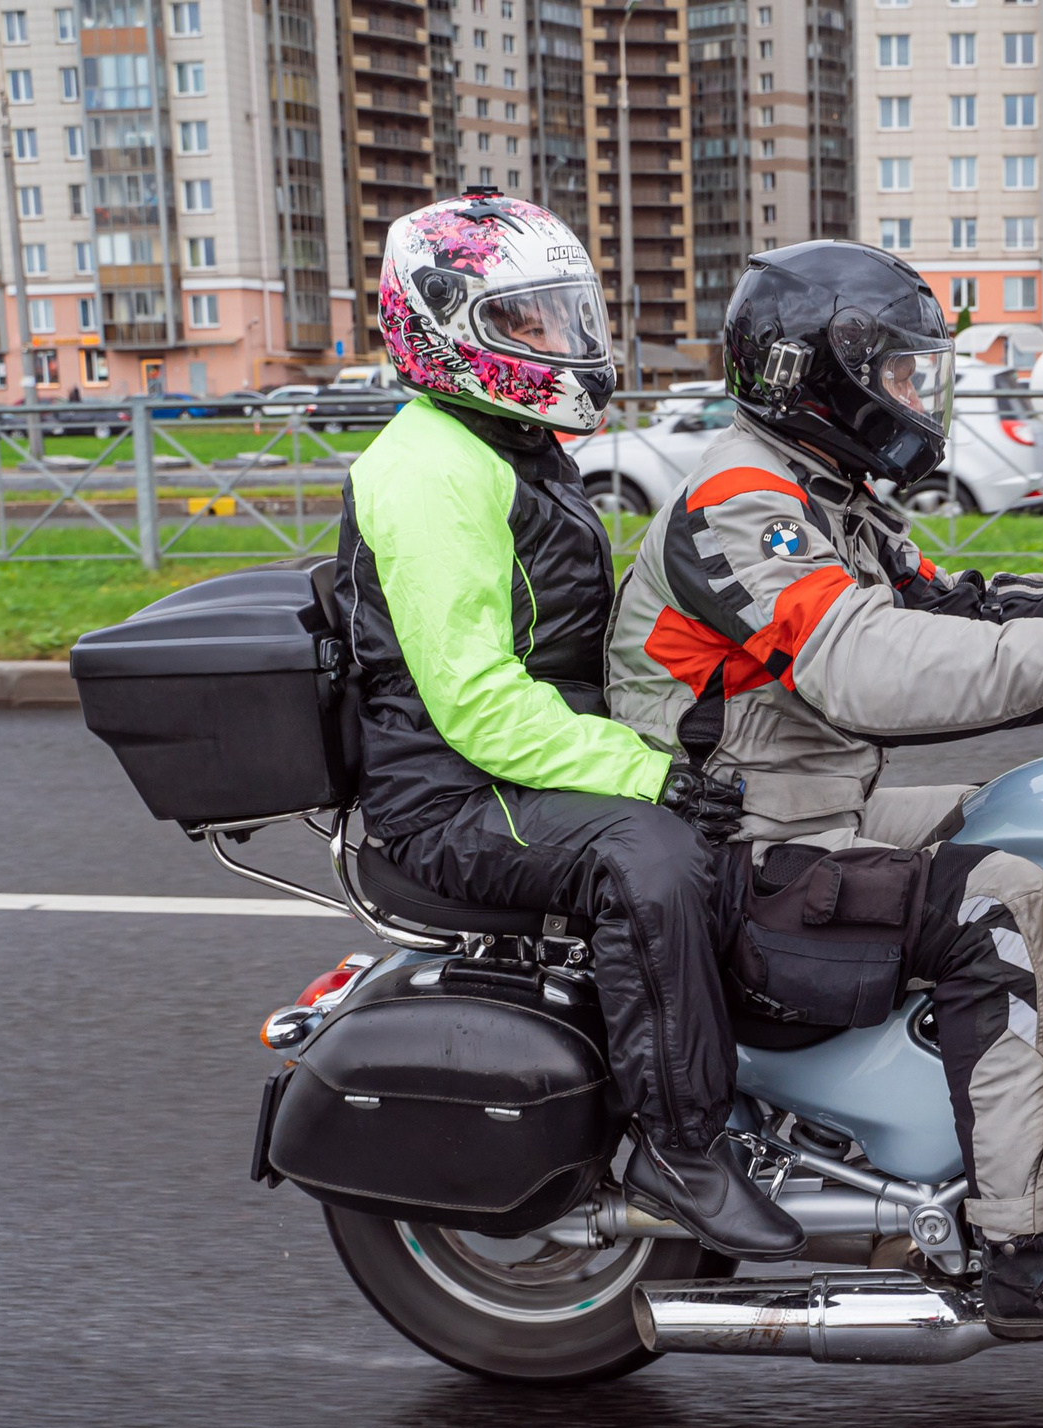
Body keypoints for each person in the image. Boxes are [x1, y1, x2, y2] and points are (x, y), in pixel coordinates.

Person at [607, 239, 1043, 1338]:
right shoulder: (741, 501)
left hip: (807, 804)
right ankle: (1027, 1252)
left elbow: (956, 612)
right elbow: (862, 662)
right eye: (896, 370)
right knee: (1003, 900)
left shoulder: (824, 496)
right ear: (816, 371)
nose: (914, 394)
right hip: (732, 842)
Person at [333, 188, 801, 1262]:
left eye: (563, 316)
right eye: (526, 322)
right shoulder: (429, 471)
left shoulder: (505, 442)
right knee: (653, 857)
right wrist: (648, 778)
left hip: (516, 760)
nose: (560, 342)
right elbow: (476, 700)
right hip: (449, 794)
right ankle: (681, 1148)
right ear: (444, 321)